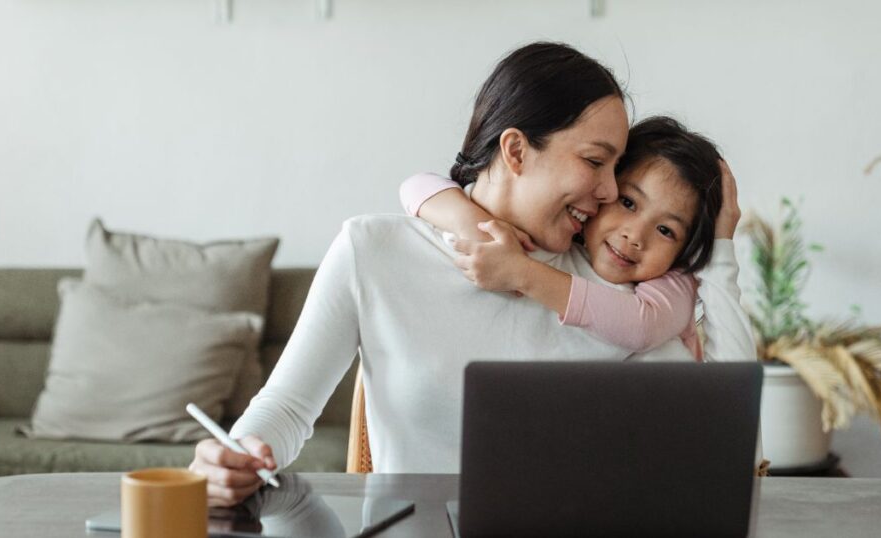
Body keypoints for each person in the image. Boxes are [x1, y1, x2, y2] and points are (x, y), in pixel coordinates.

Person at [190, 41, 755, 507]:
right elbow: (287, 409)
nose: (609, 192)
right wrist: (236, 453)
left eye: (616, 168)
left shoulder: (616, 289)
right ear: (515, 150)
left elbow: (725, 433)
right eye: (593, 161)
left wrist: (722, 248)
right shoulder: (373, 250)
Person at [399, 116, 728, 358]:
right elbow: (416, 185)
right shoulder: (567, 238)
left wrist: (522, 273)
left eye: (666, 230)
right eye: (627, 202)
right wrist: (473, 224)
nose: (635, 235)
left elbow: (641, 325)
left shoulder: (676, 282)